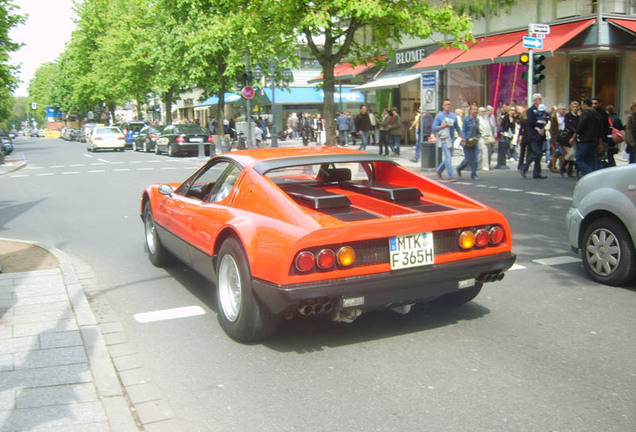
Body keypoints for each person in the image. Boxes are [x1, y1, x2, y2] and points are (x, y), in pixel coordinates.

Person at [433, 99, 462, 181]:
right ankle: (451, 176)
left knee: (448, 157)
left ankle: (439, 170)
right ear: (443, 106)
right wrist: (443, 126)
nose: (448, 106)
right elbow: (434, 128)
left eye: (449, 104)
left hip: (452, 138)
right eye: (446, 104)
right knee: (448, 157)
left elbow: (457, 127)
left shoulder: (453, 115)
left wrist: (461, 136)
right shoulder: (439, 116)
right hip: (444, 139)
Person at [519, 93, 548, 179]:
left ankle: (537, 173)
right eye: (539, 99)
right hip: (533, 135)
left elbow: (546, 118)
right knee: (537, 152)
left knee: (539, 155)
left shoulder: (542, 110)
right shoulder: (531, 110)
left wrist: (545, 121)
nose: (541, 100)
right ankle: (524, 167)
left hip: (541, 135)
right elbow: (531, 121)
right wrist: (539, 125)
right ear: (536, 100)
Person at [572, 98, 603, 177]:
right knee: (592, 160)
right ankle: (595, 175)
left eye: (582, 104)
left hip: (585, 140)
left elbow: (580, 127)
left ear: (585, 104)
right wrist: (600, 142)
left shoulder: (585, 114)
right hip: (594, 140)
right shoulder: (597, 114)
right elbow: (601, 130)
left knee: (579, 159)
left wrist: (573, 137)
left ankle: (590, 175)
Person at [457, 105, 480, 180]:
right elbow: (463, 130)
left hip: (474, 141)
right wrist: (463, 140)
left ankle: (473, 174)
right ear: (470, 111)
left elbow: (478, 131)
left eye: (476, 109)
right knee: (468, 159)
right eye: (474, 109)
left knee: (476, 159)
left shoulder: (477, 120)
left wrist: (478, 136)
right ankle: (459, 168)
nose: (475, 111)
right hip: (467, 141)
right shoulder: (467, 120)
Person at [592, 97, 612, 168]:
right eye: (593, 103)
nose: (594, 105)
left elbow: (606, 127)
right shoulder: (591, 112)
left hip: (601, 139)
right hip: (593, 139)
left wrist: (603, 140)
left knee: (600, 157)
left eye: (596, 103)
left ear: (600, 104)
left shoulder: (603, 114)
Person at [549, 103, 567, 173]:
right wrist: (554, 139)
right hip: (556, 136)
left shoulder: (565, 117)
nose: (564, 111)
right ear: (559, 110)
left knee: (563, 152)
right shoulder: (554, 117)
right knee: (555, 152)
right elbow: (553, 129)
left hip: (563, 136)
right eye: (563, 109)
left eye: (565, 109)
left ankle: (561, 165)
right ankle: (553, 166)